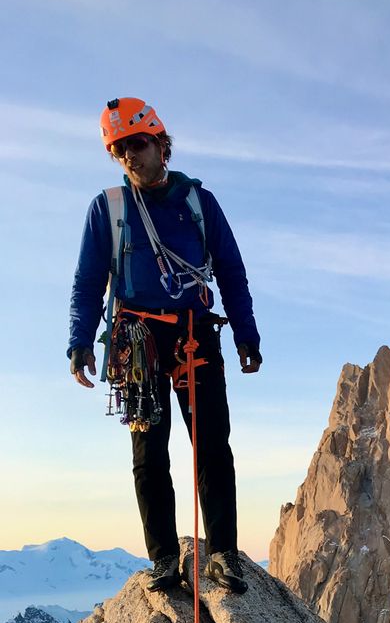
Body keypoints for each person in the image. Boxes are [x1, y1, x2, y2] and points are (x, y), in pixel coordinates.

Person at [68, 98, 262, 594]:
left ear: (160, 142)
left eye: (137, 143)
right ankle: (164, 560)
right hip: (138, 343)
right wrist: (80, 341)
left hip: (195, 334)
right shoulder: (108, 208)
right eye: (119, 150)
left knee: (212, 445)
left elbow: (231, 271)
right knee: (149, 453)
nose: (129, 156)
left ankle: (222, 554)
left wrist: (247, 334)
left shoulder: (199, 203)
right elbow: (88, 281)